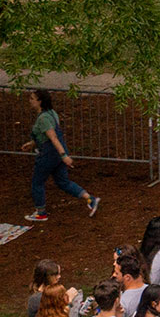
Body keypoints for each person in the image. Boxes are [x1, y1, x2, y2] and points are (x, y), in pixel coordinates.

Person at [23, 89, 99, 221]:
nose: (30, 101)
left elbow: (52, 138)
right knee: (63, 181)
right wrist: (32, 144)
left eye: (32, 98)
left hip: (49, 155)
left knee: (37, 183)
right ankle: (89, 199)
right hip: (57, 154)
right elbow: (47, 136)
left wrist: (64, 156)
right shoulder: (52, 114)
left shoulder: (43, 119)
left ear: (39, 101)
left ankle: (41, 212)